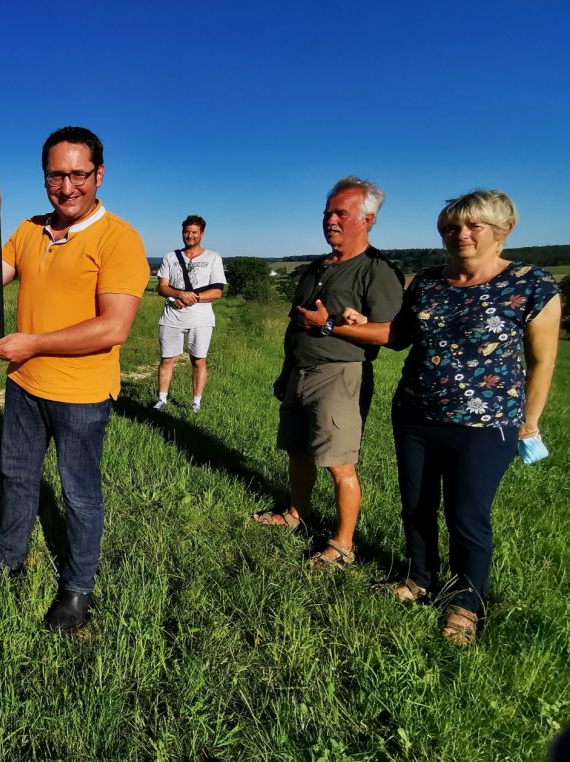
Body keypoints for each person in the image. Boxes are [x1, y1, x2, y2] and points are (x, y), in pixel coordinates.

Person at [341, 190, 560, 645]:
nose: (460, 234)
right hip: (416, 413)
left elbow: (542, 362)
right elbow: (401, 336)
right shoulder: (427, 281)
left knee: (467, 514)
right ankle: (418, 579)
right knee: (417, 504)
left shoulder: (530, 284)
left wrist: (530, 420)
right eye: (451, 227)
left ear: (503, 230)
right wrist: (355, 321)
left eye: (473, 225)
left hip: (486, 424)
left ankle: (465, 603)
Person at [0, 126, 149, 632]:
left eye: (79, 174)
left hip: (80, 393)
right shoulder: (29, 229)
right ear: (43, 178)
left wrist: (32, 341)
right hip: (24, 384)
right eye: (56, 175)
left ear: (99, 175)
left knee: (79, 495)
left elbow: (113, 327)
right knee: (16, 477)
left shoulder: (119, 238)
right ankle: (6, 561)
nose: (67, 186)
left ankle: (78, 588)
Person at [254, 176, 404, 570]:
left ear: (367, 219)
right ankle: (295, 514)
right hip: (300, 372)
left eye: (341, 213)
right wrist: (287, 370)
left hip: (340, 375)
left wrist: (331, 326)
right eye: (327, 213)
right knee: (297, 451)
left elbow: (393, 333)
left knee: (340, 464)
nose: (331, 221)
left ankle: (343, 544)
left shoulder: (377, 270)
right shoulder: (316, 268)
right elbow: (296, 323)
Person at [153, 214, 226, 412]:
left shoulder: (213, 258)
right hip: (171, 316)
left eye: (194, 232)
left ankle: (196, 402)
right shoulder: (170, 257)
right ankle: (162, 399)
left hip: (200, 318)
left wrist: (191, 297)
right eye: (186, 232)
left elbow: (217, 291)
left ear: (202, 233)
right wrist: (178, 294)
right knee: (167, 358)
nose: (190, 236)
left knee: (198, 359)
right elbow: (162, 287)